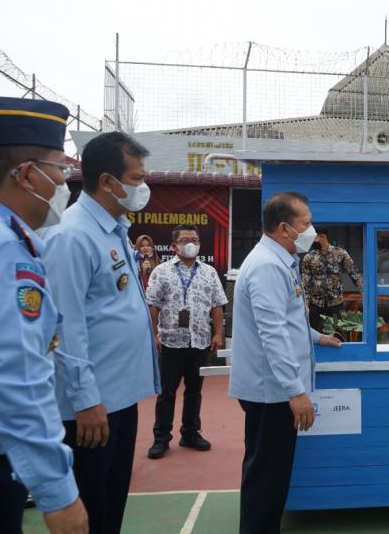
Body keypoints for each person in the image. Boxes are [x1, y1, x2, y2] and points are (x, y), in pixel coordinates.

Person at [43, 131, 160, 534]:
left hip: (118, 398)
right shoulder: (73, 236)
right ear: (108, 182)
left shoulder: (113, 229)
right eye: (136, 179)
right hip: (90, 409)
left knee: (110, 509)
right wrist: (85, 399)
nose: (142, 187)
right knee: (91, 511)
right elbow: (65, 324)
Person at [0, 96, 89, 534]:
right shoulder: (6, 248)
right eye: (59, 170)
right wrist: (57, 492)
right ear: (27, 175)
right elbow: (15, 375)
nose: (63, 183)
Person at [229, 192, 342, 534]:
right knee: (267, 476)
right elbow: (272, 333)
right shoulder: (266, 266)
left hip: (274, 390)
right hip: (272, 392)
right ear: (284, 228)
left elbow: (288, 321)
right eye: (305, 224)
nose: (312, 230)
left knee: (270, 474)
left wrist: (318, 337)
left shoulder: (280, 259)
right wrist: (296, 392)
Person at [145, 225, 228, 458]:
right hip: (170, 341)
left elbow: (217, 305)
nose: (190, 243)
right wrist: (153, 335)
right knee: (167, 392)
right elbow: (152, 305)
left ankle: (190, 433)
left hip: (200, 340)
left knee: (194, 391)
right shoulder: (161, 271)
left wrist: (218, 334)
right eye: (185, 240)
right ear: (174, 246)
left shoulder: (209, 272)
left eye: (194, 239)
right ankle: (161, 438)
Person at [301, 226, 364, 332]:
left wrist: (364, 292)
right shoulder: (309, 257)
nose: (313, 241)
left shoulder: (340, 254)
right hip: (316, 303)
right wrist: (305, 304)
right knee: (312, 333)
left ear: (322, 237)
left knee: (339, 333)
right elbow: (305, 282)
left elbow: (354, 273)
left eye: (315, 238)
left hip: (335, 302)